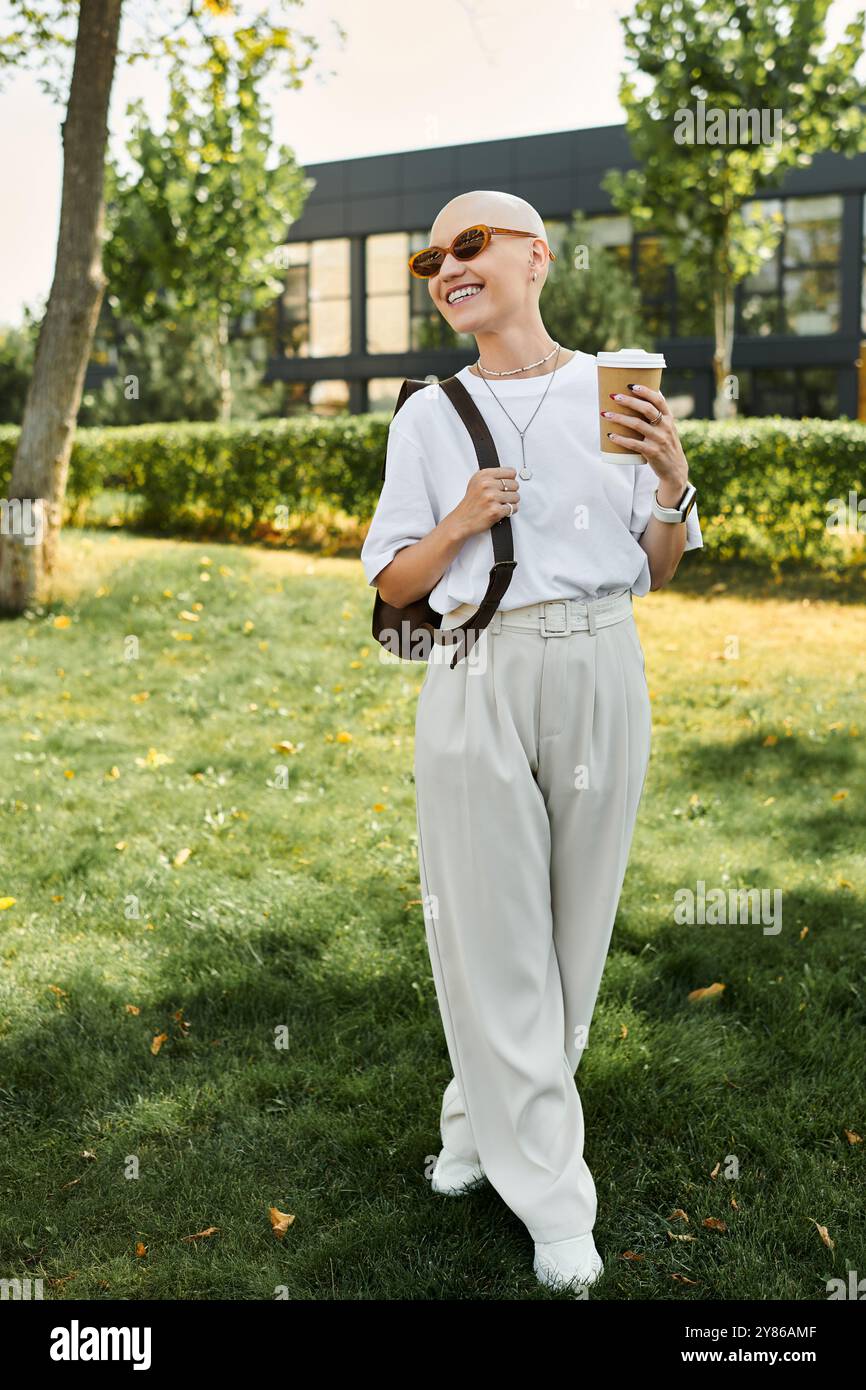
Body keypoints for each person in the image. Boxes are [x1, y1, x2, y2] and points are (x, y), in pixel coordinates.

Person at [360, 189, 703, 1293]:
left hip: (601, 661)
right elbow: (390, 585)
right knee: (490, 933)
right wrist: (458, 521)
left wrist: (670, 479)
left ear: (534, 257)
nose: (447, 268)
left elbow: (655, 567)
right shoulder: (425, 414)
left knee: (569, 936)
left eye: (469, 246)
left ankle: (473, 1124)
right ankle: (556, 1202)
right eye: (430, 261)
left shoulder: (609, 389)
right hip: (477, 673)